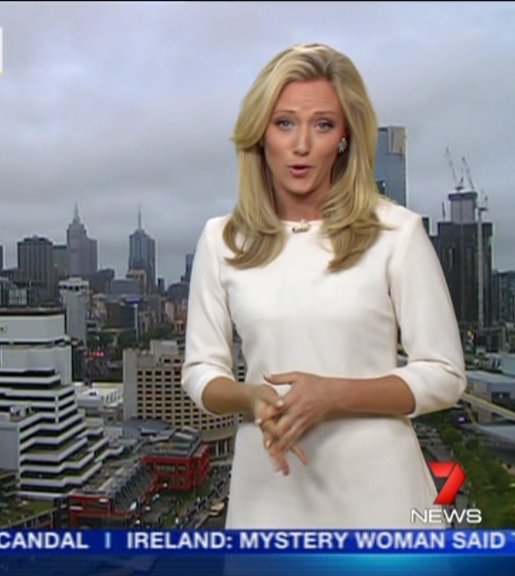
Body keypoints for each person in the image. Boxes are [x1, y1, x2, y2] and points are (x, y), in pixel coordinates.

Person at [181, 43, 466, 529]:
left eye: (323, 125)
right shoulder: (220, 239)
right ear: (260, 134)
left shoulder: (397, 233)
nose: (301, 145)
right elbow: (201, 371)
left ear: (345, 138)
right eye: (284, 123)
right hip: (269, 497)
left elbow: (444, 374)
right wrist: (251, 397)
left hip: (382, 500)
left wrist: (333, 395)